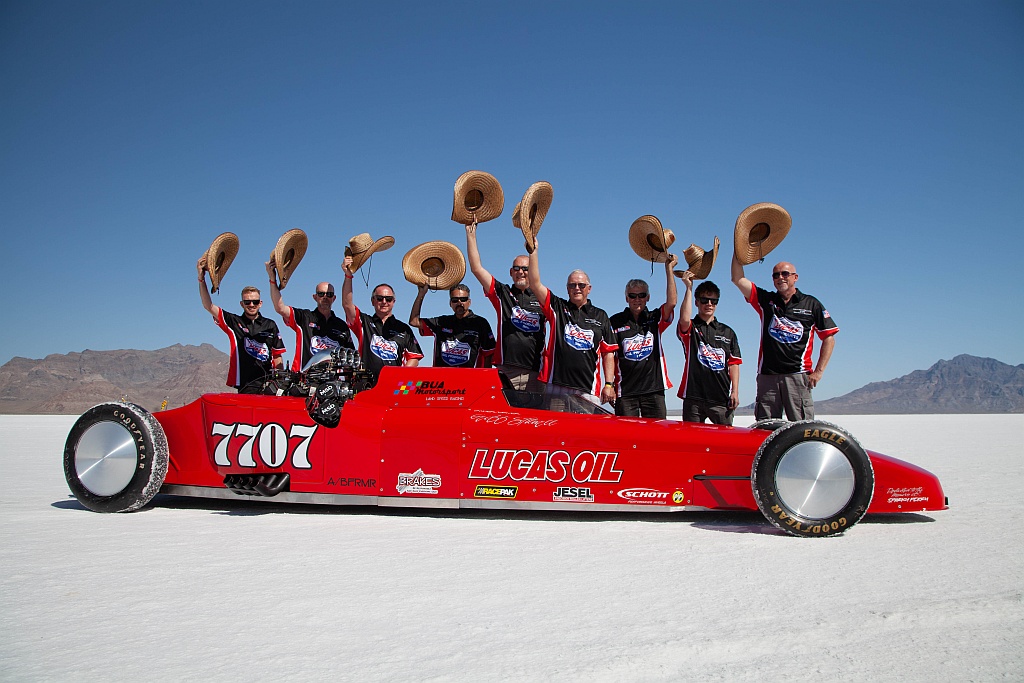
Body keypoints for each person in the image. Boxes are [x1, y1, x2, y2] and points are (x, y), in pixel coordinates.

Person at [731, 257, 838, 420]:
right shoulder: (766, 301)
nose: (780, 277)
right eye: (776, 275)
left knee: (801, 427)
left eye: (785, 274)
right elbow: (737, 279)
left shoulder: (811, 304)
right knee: (766, 427)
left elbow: (829, 337)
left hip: (797, 376)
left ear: (795, 277)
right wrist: (737, 253)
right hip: (768, 376)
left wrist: (818, 372)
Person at [527, 237, 617, 402]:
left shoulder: (601, 315)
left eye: (581, 285)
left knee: (589, 422)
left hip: (588, 390)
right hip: (556, 386)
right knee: (553, 421)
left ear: (589, 289)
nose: (577, 288)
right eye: (572, 285)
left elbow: (608, 353)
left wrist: (609, 384)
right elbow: (534, 284)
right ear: (567, 288)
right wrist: (533, 252)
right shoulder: (557, 307)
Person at [465, 221, 546, 390]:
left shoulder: (542, 297)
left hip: (535, 373)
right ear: (511, 272)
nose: (521, 272)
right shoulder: (502, 293)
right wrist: (471, 235)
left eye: (525, 268)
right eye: (516, 268)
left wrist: (534, 251)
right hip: (507, 371)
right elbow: (477, 269)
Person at [608, 255, 678, 418]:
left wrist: (669, 269)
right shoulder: (615, 321)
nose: (637, 299)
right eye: (632, 296)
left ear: (648, 297)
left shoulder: (655, 318)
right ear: (626, 298)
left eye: (641, 295)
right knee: (626, 433)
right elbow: (609, 355)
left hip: (653, 390)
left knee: (658, 432)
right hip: (626, 392)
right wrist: (609, 385)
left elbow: (672, 302)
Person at [197, 261, 285, 392]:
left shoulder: (270, 324)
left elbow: (277, 355)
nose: (251, 305)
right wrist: (201, 279)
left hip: (268, 385)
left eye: (255, 301)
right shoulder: (233, 322)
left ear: (260, 303)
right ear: (241, 304)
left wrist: (280, 382)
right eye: (247, 302)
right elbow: (208, 306)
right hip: (245, 384)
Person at [341, 256, 422, 385]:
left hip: (393, 386)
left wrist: (400, 375)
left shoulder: (403, 329)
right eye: (379, 298)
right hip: (366, 385)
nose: (384, 302)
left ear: (393, 302)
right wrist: (348, 276)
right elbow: (347, 305)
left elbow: (414, 357)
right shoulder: (364, 322)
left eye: (388, 299)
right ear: (372, 301)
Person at [265, 258, 354, 372]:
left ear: (334, 298)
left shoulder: (341, 326)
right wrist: (272, 279)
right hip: (304, 378)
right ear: (315, 297)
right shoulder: (304, 317)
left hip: (333, 379)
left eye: (329, 294)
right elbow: (280, 308)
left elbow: (350, 359)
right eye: (321, 294)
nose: (325, 297)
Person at [676, 275, 742, 424]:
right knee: (692, 437)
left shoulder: (728, 332)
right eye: (704, 300)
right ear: (697, 302)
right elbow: (684, 319)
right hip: (694, 397)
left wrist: (735, 391)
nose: (709, 304)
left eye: (713, 301)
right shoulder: (691, 328)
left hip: (720, 397)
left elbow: (734, 364)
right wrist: (688, 288)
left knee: (724, 437)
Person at [409, 283, 496, 368]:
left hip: (469, 377)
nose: (459, 303)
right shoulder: (441, 322)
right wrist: (421, 295)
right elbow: (414, 321)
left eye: (463, 299)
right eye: (455, 300)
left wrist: (486, 376)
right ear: (450, 303)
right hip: (441, 376)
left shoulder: (481, 323)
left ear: (469, 302)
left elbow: (489, 354)